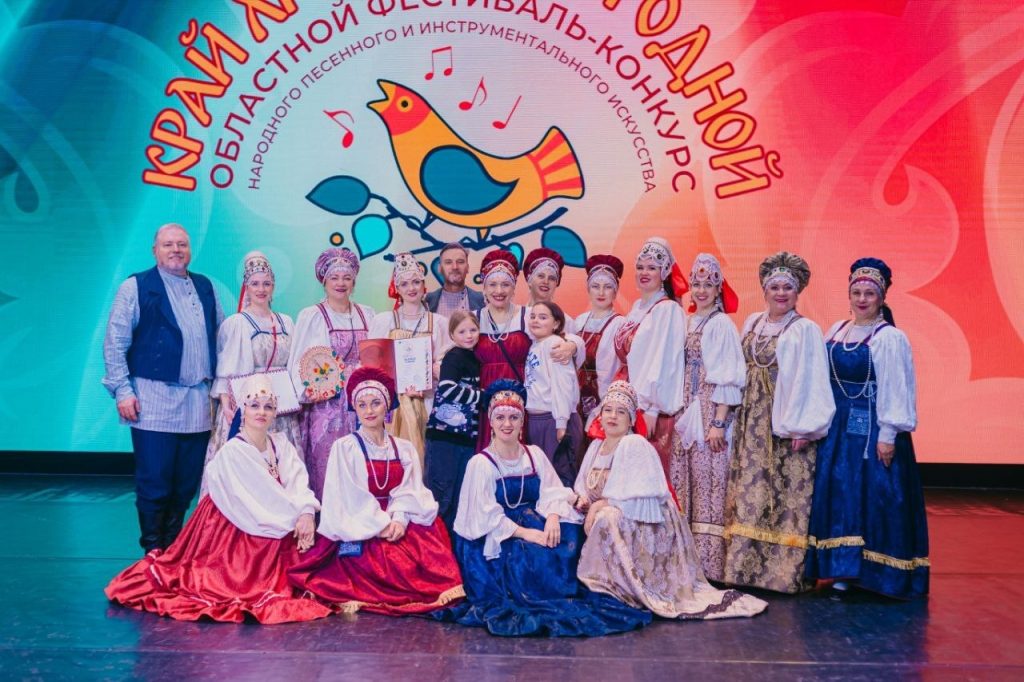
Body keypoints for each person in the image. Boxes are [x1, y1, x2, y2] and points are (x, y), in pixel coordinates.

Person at [105, 374, 331, 624]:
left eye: (268, 407)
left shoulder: (280, 444)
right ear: (243, 410)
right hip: (244, 529)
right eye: (254, 405)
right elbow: (258, 506)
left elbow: (298, 482)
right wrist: (296, 520)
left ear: (275, 412)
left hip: (279, 520)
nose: (261, 412)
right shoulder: (233, 452)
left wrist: (306, 513)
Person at [443, 380, 651, 637]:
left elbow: (553, 490)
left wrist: (552, 516)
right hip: (498, 534)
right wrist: (528, 533)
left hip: (534, 516)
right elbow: (483, 515)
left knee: (568, 536)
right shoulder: (481, 463)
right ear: (491, 422)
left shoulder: (533, 454)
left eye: (513, 417)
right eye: (500, 418)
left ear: (522, 422)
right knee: (528, 554)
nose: (507, 424)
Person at [574, 381, 767, 619]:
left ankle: (617, 585)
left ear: (631, 419)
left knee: (608, 517)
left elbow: (633, 500)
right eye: (608, 410)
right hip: (621, 514)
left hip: (647, 523)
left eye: (621, 412)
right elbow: (583, 484)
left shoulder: (634, 444)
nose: (613, 416)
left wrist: (598, 505)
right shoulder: (596, 447)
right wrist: (583, 499)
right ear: (600, 415)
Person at [287, 367, 465, 615]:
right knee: (383, 564)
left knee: (427, 551)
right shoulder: (345, 447)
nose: (369, 411)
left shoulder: (403, 448)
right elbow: (348, 496)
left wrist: (400, 519)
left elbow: (411, 489)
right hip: (361, 521)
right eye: (362, 405)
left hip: (397, 515)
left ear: (387, 406)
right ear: (355, 408)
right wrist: (382, 525)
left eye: (375, 403)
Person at [805, 258, 929, 599]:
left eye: (869, 294)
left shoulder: (889, 338)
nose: (862, 299)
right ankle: (842, 567)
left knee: (874, 495)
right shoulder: (837, 330)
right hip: (839, 428)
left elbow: (896, 387)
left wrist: (888, 435)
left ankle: (874, 573)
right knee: (841, 493)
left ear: (881, 297)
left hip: (871, 427)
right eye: (856, 292)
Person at [102, 223, 225, 552]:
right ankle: (153, 553)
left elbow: (220, 338)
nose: (176, 250)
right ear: (154, 250)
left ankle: (172, 552)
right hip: (153, 400)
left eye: (182, 244)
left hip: (197, 402)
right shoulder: (136, 287)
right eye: (168, 244)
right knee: (155, 483)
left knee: (185, 485)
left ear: (190, 250)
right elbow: (115, 343)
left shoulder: (205, 287)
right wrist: (122, 390)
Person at [722, 252, 836, 594]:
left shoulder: (805, 330)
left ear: (797, 291)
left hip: (783, 422)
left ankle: (781, 574)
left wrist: (804, 427)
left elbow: (811, 380)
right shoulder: (753, 322)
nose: (781, 293)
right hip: (750, 420)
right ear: (765, 290)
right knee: (750, 491)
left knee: (783, 495)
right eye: (775, 287)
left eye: (788, 287)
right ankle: (743, 570)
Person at [672, 253, 744, 581]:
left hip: (708, 412)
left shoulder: (720, 324)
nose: (701, 290)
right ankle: (684, 558)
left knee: (710, 483)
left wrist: (718, 422)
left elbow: (727, 376)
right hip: (686, 409)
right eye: (696, 284)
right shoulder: (689, 322)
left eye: (708, 285)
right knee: (685, 480)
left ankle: (710, 563)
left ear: (718, 289)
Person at [203, 251, 300, 488]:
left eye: (266, 283)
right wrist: (226, 403)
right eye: (255, 284)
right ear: (246, 287)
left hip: (281, 407)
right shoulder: (238, 323)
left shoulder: (286, 322)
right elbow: (227, 369)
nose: (261, 289)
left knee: (282, 465)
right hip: (249, 405)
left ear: (273, 286)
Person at [288, 248, 376, 499]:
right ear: (324, 281)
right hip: (327, 406)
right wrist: (311, 389)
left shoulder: (367, 314)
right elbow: (300, 361)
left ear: (354, 282)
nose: (341, 283)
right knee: (328, 464)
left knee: (363, 464)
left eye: (347, 278)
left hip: (363, 401)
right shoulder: (313, 316)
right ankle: (327, 519)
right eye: (334, 277)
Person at [474, 249, 582, 449]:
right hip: (486, 399)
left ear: (514, 287)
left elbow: (563, 331)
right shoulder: (474, 318)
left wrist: (572, 345)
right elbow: (453, 347)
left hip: (522, 399)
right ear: (484, 287)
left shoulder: (528, 315)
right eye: (493, 284)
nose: (499, 290)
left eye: (505, 284)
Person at [612, 237, 688, 476]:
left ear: (663, 273)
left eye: (652, 268)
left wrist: (652, 407)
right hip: (630, 402)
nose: (644, 273)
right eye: (640, 267)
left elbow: (664, 362)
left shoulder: (667, 309)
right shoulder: (637, 307)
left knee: (649, 473)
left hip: (648, 408)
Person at [369, 252, 452, 459]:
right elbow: (374, 365)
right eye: (404, 284)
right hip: (393, 404)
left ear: (424, 285)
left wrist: (433, 371)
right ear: (397, 288)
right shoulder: (384, 321)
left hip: (428, 400)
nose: (411, 288)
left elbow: (446, 362)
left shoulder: (439, 322)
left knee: (427, 457)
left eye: (416, 282)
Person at [424, 311, 483, 531]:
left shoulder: (473, 357)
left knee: (459, 495)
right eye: (462, 331)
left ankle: (453, 543)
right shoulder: (454, 356)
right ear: (452, 335)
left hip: (464, 437)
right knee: (442, 495)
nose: (469, 335)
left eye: (473, 330)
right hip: (444, 438)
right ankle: (437, 542)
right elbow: (446, 388)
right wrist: (481, 396)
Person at [525, 301, 583, 486]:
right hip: (537, 419)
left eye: (543, 317)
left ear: (556, 323)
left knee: (559, 478)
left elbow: (563, 386)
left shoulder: (555, 345)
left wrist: (561, 423)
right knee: (542, 478)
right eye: (533, 316)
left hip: (554, 420)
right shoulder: (536, 344)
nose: (536, 320)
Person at [573, 255, 625, 427]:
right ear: (588, 289)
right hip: (576, 396)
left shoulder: (620, 324)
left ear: (615, 291)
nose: (601, 293)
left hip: (603, 398)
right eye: (596, 286)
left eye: (607, 287)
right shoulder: (579, 321)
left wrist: (606, 403)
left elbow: (617, 370)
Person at [522, 247, 577, 333]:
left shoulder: (566, 322)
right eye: (541, 276)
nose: (546, 282)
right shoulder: (516, 318)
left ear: (556, 284)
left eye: (552, 278)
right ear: (529, 280)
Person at [424, 242, 485, 316]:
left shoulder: (482, 300)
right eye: (448, 262)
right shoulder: (426, 301)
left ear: (467, 268)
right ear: (439, 268)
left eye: (460, 262)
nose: (455, 267)